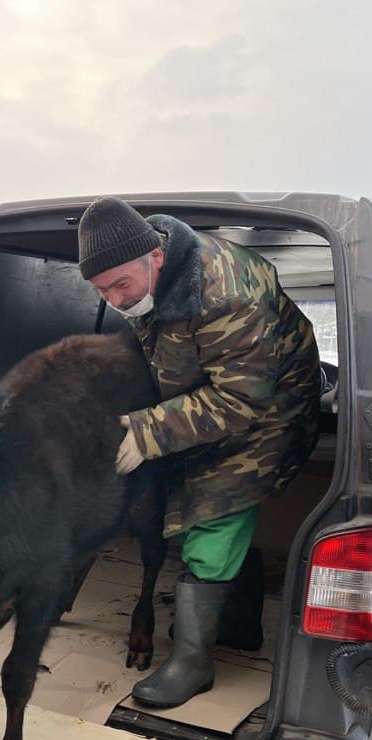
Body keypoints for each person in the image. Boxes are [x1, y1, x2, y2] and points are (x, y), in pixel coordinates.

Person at [77, 197, 321, 708]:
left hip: (270, 410)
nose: (117, 300)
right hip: (212, 400)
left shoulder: (226, 292)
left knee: (214, 512)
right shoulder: (144, 284)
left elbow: (239, 400)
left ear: (156, 257)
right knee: (191, 497)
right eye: (102, 291)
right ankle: (238, 625)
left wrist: (147, 433)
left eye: (122, 284)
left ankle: (192, 663)